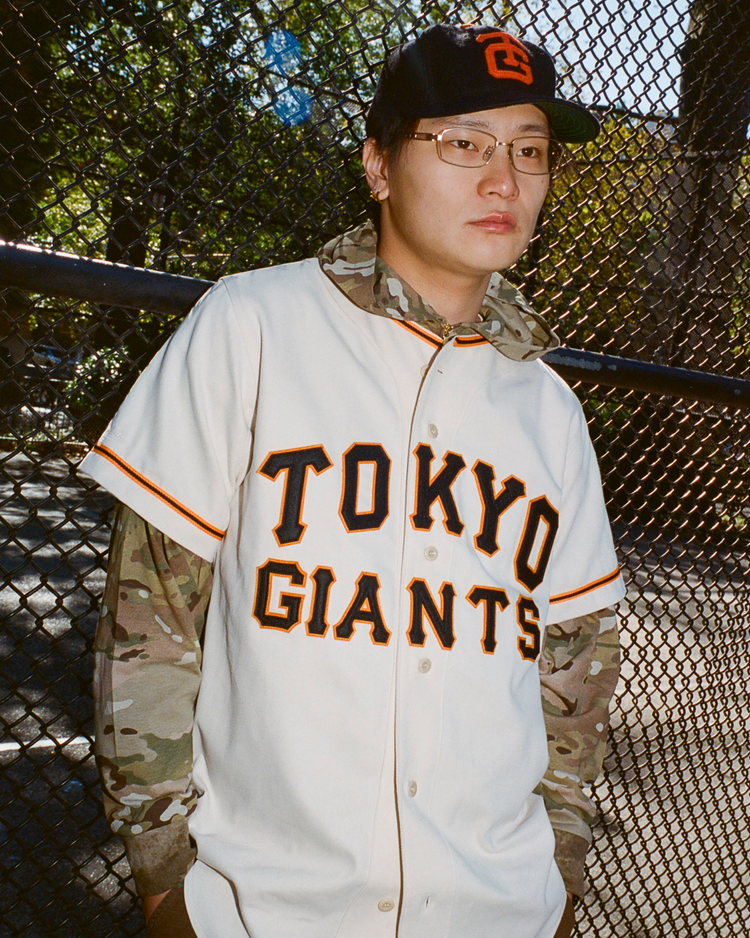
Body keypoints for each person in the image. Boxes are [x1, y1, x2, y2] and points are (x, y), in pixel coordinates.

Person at [81, 24, 624, 938]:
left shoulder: (550, 411)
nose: (505, 180)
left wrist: (561, 871)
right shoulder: (252, 325)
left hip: (499, 911)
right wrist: (165, 877)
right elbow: (151, 623)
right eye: (464, 143)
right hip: (261, 909)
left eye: (530, 152)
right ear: (378, 165)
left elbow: (575, 670)